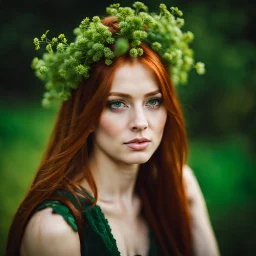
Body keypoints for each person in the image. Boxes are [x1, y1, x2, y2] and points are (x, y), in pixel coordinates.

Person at [6, 2, 220, 256]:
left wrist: (192, 202)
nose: (140, 122)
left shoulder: (166, 199)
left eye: (153, 101)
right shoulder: (56, 231)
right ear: (88, 115)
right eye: (117, 104)